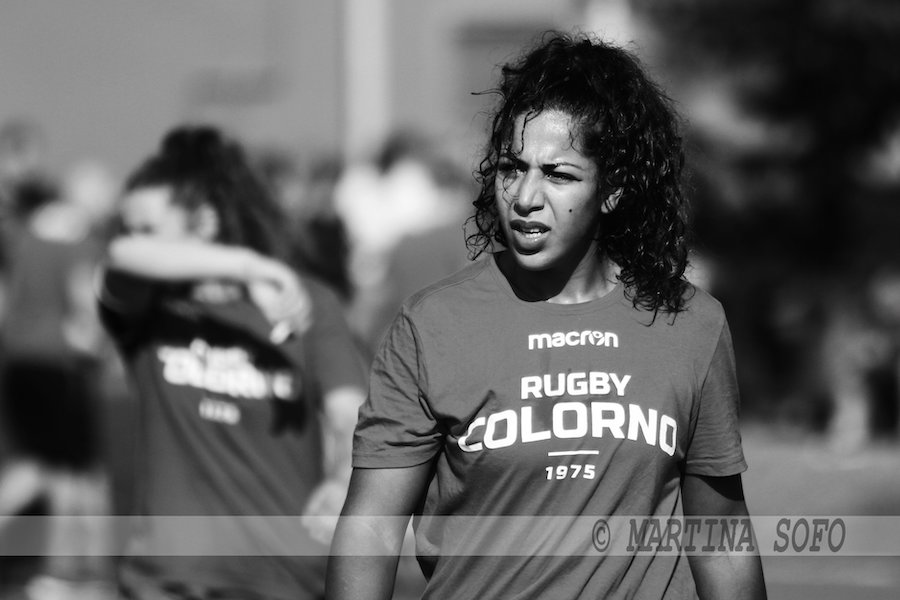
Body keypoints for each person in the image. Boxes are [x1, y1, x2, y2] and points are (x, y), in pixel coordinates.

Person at [327, 32, 767, 599]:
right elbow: (371, 530)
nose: (525, 197)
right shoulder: (431, 325)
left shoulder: (691, 325)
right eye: (513, 168)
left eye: (559, 174)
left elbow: (721, 534)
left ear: (613, 189)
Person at [97, 125, 367, 600]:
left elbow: (352, 413)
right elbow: (121, 257)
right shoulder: (148, 310)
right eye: (129, 229)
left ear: (204, 223)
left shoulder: (305, 301)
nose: (138, 243)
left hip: (282, 577)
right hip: (168, 578)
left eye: (149, 230)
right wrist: (253, 267)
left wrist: (343, 476)